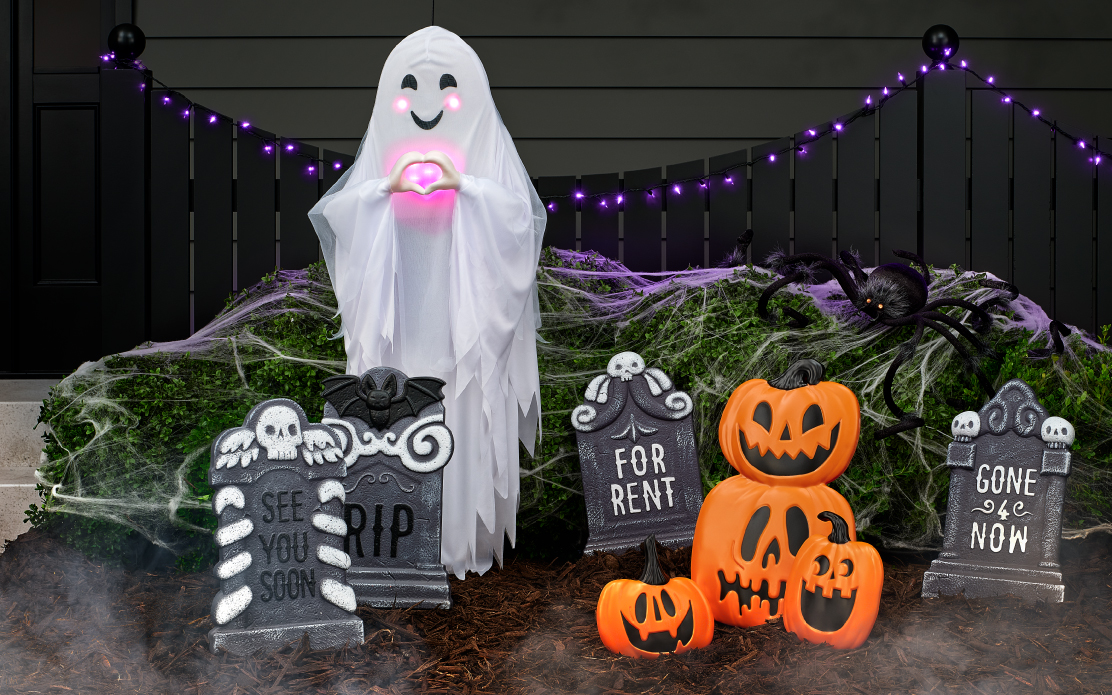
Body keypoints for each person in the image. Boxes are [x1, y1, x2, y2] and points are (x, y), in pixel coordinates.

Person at [309, 26, 545, 578]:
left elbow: (520, 222)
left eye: (448, 89)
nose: (428, 104)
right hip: (400, 341)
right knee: (395, 420)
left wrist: (466, 187)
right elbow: (340, 214)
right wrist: (385, 191)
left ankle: (459, 546)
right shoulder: (381, 172)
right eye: (411, 87)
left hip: (464, 342)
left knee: (459, 415)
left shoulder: (488, 163)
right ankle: (396, 546)